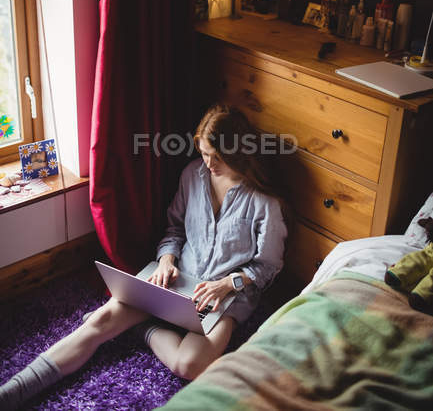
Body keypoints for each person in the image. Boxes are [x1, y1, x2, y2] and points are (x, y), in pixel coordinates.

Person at [0, 104, 288, 410]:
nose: (209, 163)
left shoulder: (265, 202)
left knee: (190, 365)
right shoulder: (193, 175)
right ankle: (12, 392)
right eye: (204, 153)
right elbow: (175, 230)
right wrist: (166, 260)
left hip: (223, 298)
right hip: (176, 281)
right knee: (99, 321)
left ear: (238, 152)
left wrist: (228, 284)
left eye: (218, 156)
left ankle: (143, 329)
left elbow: (267, 266)